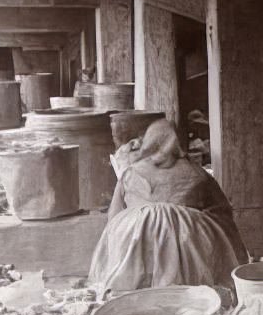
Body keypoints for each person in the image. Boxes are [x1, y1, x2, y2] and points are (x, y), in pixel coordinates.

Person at [88, 119, 249, 295]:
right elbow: (223, 214)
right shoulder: (198, 174)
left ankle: (130, 291)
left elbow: (113, 217)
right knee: (196, 237)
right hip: (185, 249)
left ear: (148, 143)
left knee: (126, 232)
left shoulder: (131, 173)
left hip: (137, 246)